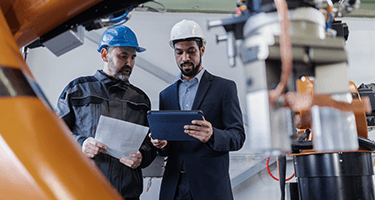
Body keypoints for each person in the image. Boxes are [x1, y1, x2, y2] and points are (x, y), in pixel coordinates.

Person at [55, 25, 156, 200]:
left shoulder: (140, 99)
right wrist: (81, 144)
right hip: (84, 192)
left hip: (127, 194)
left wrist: (142, 157)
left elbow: (150, 143)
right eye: (122, 56)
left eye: (133, 57)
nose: (129, 63)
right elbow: (53, 134)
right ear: (104, 54)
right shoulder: (77, 90)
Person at [150, 19, 245, 200]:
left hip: (210, 187)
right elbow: (169, 147)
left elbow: (238, 136)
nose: (185, 58)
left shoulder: (224, 88)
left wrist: (213, 135)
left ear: (201, 50)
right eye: (179, 52)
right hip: (174, 186)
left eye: (191, 51)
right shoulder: (166, 95)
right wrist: (162, 145)